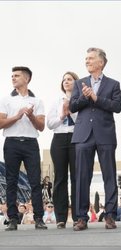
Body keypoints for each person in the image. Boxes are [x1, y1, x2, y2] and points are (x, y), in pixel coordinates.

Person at [70, 47, 121, 231]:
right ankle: (81, 217)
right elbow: (73, 106)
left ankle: (110, 215)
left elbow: (117, 106)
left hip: (105, 134)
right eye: (86, 58)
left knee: (109, 175)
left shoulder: (113, 84)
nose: (87, 61)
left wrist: (96, 97)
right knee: (82, 177)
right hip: (83, 135)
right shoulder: (79, 83)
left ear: (101, 62)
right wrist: (85, 98)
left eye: (91, 58)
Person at [0, 66, 47, 230]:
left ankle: (39, 218)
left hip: (30, 143)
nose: (13, 78)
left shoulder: (37, 101)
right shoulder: (6, 99)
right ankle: (13, 219)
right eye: (12, 75)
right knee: (11, 181)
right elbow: (0, 123)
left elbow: (41, 126)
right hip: (11, 143)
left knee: (35, 182)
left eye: (17, 75)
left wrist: (31, 116)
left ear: (27, 79)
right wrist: (18, 116)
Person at [47, 71, 79, 229]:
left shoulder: (81, 100)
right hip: (59, 139)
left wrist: (71, 112)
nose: (66, 81)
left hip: (76, 138)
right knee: (60, 178)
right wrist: (61, 115)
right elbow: (50, 124)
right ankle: (60, 217)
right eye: (64, 79)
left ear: (76, 82)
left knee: (76, 178)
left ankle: (78, 216)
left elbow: (83, 122)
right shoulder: (55, 101)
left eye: (70, 79)